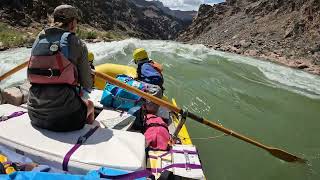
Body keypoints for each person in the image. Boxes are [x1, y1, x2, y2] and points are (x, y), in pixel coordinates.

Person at [27, 5, 94, 132]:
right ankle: (85, 137)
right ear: (73, 22)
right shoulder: (77, 42)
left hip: (34, 114)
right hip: (65, 119)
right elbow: (86, 84)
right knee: (89, 105)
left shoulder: (39, 38)